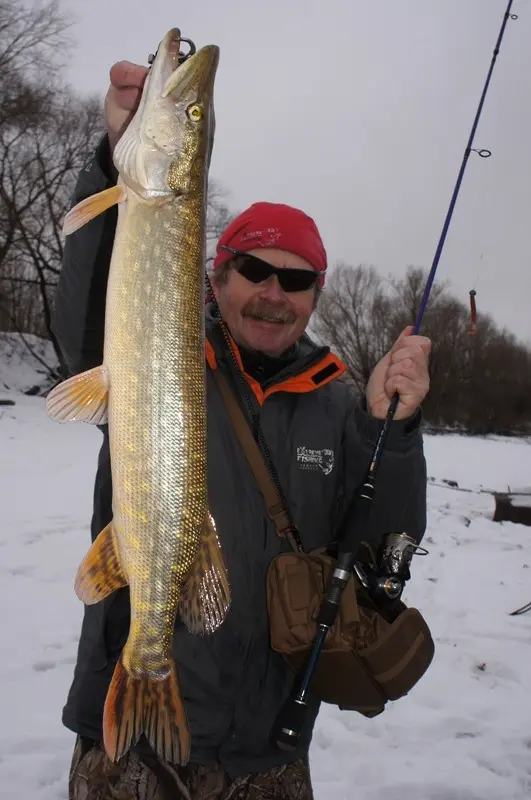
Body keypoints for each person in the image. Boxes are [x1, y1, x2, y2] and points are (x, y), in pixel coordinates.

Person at [52, 58, 432, 800]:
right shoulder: (158, 358)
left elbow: (383, 543)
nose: (272, 294)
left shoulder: (340, 404)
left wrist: (399, 428)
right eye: (254, 269)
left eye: (295, 281)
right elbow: (92, 308)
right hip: (125, 730)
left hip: (271, 745)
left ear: (315, 296)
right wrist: (115, 156)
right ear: (217, 278)